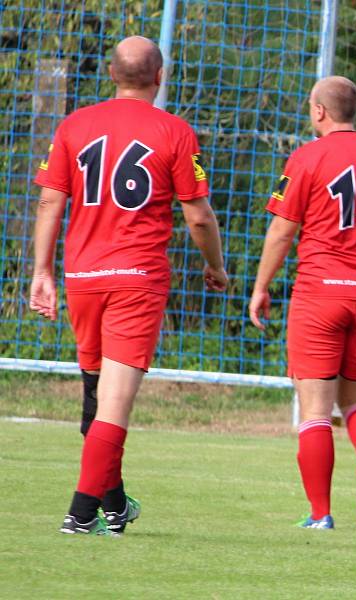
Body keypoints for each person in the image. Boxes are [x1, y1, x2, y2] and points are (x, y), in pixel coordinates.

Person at [30, 36, 227, 536]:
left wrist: (42, 272)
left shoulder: (74, 126)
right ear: (160, 77)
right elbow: (198, 217)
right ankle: (80, 514)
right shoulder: (175, 131)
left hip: (84, 277)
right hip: (136, 279)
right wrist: (216, 266)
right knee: (113, 404)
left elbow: (50, 203)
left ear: (112, 75)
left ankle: (114, 505)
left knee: (97, 395)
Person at [248, 76, 356, 530]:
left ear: (320, 111)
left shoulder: (307, 157)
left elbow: (283, 231)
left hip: (321, 291)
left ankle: (321, 514)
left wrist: (261, 286)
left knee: (316, 410)